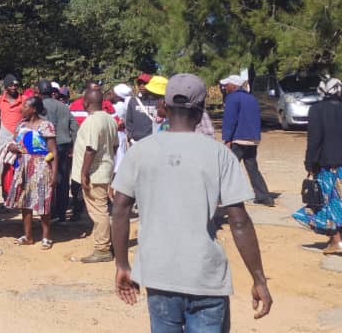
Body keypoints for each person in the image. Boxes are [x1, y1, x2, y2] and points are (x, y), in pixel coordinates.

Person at [112, 73, 272, 329]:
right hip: (205, 276)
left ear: (163, 107)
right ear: (201, 111)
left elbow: (120, 209)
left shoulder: (139, 152)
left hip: (159, 274)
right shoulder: (221, 155)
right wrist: (259, 279)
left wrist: (122, 264)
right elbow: (239, 221)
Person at [293, 77, 342, 254]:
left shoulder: (317, 110)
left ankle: (337, 241)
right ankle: (335, 240)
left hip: (328, 165)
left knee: (328, 201)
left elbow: (314, 140)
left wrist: (309, 163)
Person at [72, 89, 118, 263]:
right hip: (105, 170)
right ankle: (107, 243)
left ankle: (102, 249)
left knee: (99, 212)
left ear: (86, 103)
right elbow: (115, 147)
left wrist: (84, 172)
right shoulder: (110, 120)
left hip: (94, 173)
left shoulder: (92, 122)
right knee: (102, 209)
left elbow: (90, 149)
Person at [5, 96, 57, 250]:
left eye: (25, 106)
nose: (22, 109)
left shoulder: (46, 126)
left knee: (43, 202)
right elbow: (14, 142)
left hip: (41, 166)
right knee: (24, 201)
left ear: (34, 109)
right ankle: (28, 236)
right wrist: (12, 147)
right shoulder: (21, 125)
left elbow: (53, 151)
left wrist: (54, 173)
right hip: (23, 166)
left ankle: (46, 237)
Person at [221, 75, 274, 207]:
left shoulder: (232, 98)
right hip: (252, 139)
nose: (224, 87)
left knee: (227, 169)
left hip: (238, 139)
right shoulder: (251, 98)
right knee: (252, 168)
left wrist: (227, 138)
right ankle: (265, 196)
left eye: (226, 85)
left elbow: (230, 119)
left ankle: (222, 196)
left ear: (233, 86)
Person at [38, 81, 79, 223]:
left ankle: (49, 212)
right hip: (63, 146)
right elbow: (74, 126)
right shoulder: (63, 106)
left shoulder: (39, 107)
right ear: (52, 92)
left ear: (39, 92)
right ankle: (61, 214)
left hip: (46, 148)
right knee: (62, 180)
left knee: (47, 179)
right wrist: (73, 146)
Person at [126, 76, 165, 143]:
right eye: (139, 83)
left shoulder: (159, 101)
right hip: (136, 141)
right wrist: (131, 136)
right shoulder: (133, 101)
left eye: (145, 83)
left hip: (153, 140)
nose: (141, 86)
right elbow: (129, 121)